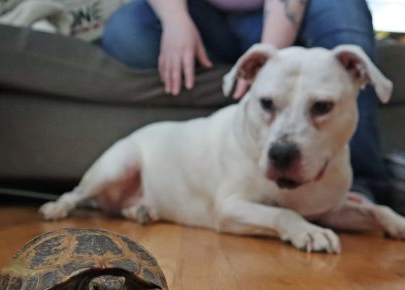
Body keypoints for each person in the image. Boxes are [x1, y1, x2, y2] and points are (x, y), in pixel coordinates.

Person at [100, 0, 390, 203]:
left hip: (295, 12)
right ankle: (235, 71)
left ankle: (359, 186)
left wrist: (271, 63)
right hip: (203, 13)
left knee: (345, 13)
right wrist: (175, 20)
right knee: (125, 33)